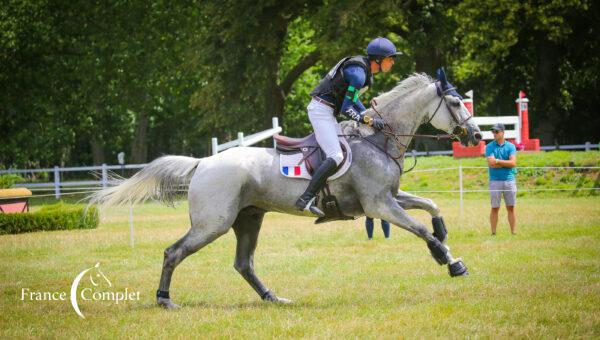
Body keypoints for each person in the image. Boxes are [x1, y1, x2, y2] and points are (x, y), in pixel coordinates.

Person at [295, 37, 401, 216]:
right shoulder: (358, 74)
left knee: (347, 152)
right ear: (378, 60)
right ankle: (305, 198)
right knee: (336, 155)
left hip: (328, 112)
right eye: (390, 59)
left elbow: (353, 100)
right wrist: (369, 121)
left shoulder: (362, 71)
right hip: (321, 111)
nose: (392, 63)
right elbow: (346, 108)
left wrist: (369, 115)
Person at [485, 123, 518, 235]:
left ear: (503, 132)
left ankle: (513, 232)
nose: (494, 133)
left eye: (496, 131)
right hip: (495, 181)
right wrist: (506, 163)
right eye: (493, 131)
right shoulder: (489, 147)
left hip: (509, 180)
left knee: (511, 208)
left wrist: (498, 161)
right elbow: (491, 164)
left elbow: (513, 163)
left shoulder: (511, 146)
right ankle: (493, 233)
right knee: (495, 208)